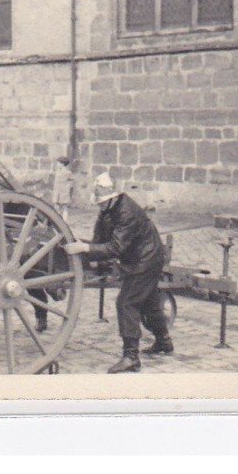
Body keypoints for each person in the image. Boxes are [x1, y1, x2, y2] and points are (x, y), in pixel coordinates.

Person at [64, 172, 173, 373]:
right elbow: (100, 239)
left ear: (113, 198)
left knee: (127, 302)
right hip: (138, 257)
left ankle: (131, 357)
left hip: (146, 260)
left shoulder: (127, 213)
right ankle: (164, 342)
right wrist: (87, 251)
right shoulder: (108, 209)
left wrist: (86, 250)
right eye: (98, 203)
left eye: (102, 202)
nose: (100, 205)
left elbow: (115, 248)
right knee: (149, 303)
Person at [51, 156, 73, 221]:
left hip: (63, 192)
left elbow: (72, 181)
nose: (57, 164)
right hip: (59, 192)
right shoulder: (58, 172)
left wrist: (68, 188)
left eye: (58, 163)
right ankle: (59, 221)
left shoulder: (68, 172)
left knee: (63, 207)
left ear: (62, 164)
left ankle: (63, 221)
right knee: (59, 207)